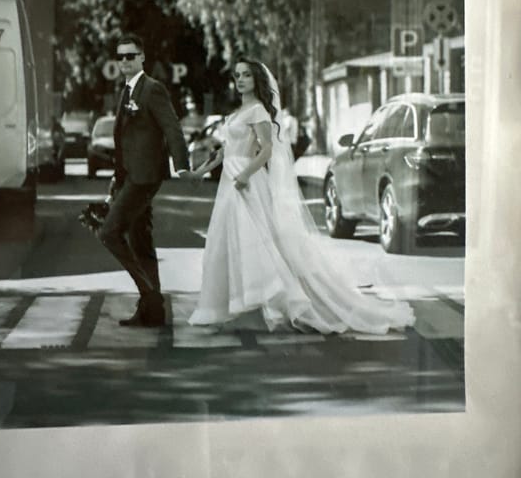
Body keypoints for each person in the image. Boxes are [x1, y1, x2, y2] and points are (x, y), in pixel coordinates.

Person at [188, 58, 415, 334]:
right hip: (230, 181)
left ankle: (265, 304)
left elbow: (267, 149)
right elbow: (225, 151)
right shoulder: (238, 112)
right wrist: (200, 171)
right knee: (229, 241)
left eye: (247, 75)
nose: (241, 80)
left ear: (256, 79)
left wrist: (246, 175)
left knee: (255, 243)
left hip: (246, 182)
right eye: (237, 76)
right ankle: (237, 304)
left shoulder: (258, 110)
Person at [97, 34, 190, 327]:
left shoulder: (152, 89)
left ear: (142, 58)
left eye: (130, 56)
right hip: (130, 176)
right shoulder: (126, 91)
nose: (124, 61)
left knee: (109, 232)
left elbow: (172, 128)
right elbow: (125, 140)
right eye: (120, 56)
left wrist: (182, 164)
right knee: (140, 240)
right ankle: (152, 314)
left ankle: (150, 296)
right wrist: (117, 177)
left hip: (145, 177)